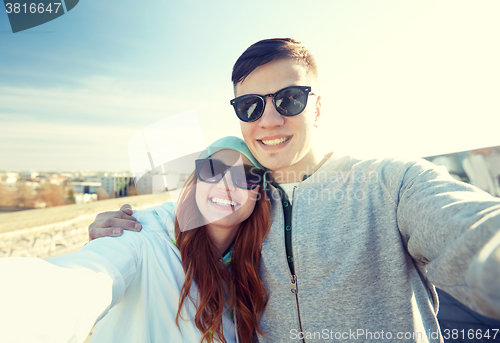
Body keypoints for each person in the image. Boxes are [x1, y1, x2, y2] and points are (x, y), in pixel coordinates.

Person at [89, 38, 500, 342]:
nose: (268, 120)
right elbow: (176, 232)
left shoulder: (390, 183)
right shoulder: (240, 202)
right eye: (250, 106)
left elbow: (470, 228)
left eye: (289, 99)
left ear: (317, 107)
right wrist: (123, 231)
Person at [0, 136, 271, 343]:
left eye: (246, 177)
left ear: (261, 193)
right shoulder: (141, 234)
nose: (226, 184)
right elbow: (80, 281)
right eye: (213, 169)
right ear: (195, 179)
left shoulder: (261, 262)